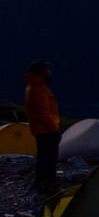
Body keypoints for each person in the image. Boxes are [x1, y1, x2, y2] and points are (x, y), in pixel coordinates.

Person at [24, 60, 61, 190]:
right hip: (46, 129)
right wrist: (54, 128)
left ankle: (41, 179)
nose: (49, 72)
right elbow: (43, 113)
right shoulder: (38, 89)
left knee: (43, 155)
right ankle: (50, 182)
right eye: (47, 70)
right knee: (49, 156)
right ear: (41, 72)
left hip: (40, 129)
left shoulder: (33, 86)